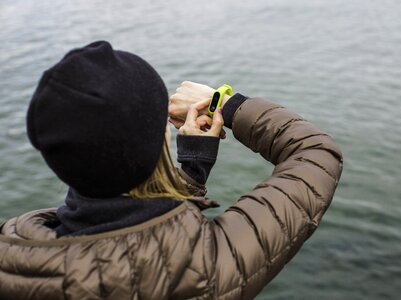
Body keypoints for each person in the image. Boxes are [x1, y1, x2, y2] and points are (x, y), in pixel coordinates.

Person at [0, 41, 343, 300]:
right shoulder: (206, 265)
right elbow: (315, 152)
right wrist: (225, 104)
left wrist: (193, 168)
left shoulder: (13, 252)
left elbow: (126, 234)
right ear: (159, 137)